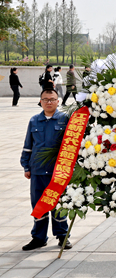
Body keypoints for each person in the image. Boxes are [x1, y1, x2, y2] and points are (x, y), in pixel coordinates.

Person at [20, 89, 71, 251]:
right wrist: (26, 166)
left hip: (58, 173)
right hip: (38, 171)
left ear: (58, 101)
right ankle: (39, 238)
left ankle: (63, 236)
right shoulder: (34, 120)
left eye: (52, 99)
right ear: (40, 101)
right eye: (45, 99)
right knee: (38, 205)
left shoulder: (65, 120)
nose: (49, 102)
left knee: (59, 204)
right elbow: (28, 146)